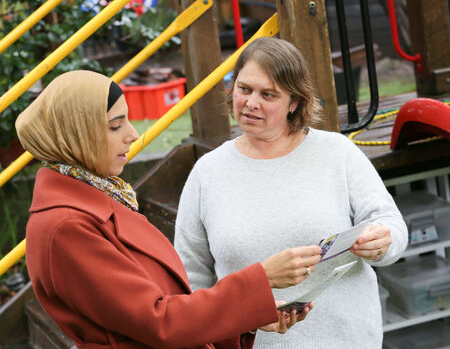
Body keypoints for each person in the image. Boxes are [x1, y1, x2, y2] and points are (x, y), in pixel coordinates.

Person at [16, 70, 324, 349]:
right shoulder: (68, 226)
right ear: (75, 135)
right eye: (114, 125)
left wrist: (244, 319)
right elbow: (159, 322)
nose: (132, 135)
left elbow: (161, 313)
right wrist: (262, 279)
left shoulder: (99, 197)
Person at [174, 38, 408, 348]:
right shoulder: (207, 172)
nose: (251, 102)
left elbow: (390, 222)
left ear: (294, 102)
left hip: (347, 339)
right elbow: (190, 278)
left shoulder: (336, 152)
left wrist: (383, 241)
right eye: (244, 89)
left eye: (268, 94)